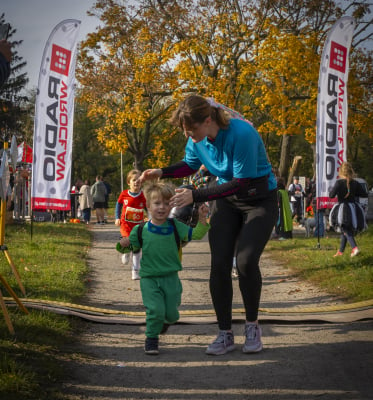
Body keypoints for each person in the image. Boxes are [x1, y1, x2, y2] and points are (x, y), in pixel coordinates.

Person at [138, 94, 278, 356]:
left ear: (208, 119)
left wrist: (196, 195)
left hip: (258, 199)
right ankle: (225, 333)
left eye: (191, 129)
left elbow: (242, 182)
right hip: (226, 201)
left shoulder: (242, 133)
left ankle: (252, 326)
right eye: (184, 130)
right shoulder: (197, 138)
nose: (188, 135)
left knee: (246, 261)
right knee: (219, 264)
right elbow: (190, 164)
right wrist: (161, 171)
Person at [117, 182, 210, 355]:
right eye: (157, 203)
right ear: (148, 206)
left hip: (171, 278)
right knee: (155, 310)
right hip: (149, 279)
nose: (161, 207)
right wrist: (123, 244)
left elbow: (195, 235)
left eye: (166, 204)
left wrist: (202, 219)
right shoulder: (140, 230)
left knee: (173, 315)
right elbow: (129, 247)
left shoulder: (176, 226)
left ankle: (163, 322)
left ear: (172, 206)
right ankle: (151, 339)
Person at [329, 162, 368, 257]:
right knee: (345, 229)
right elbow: (364, 194)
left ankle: (355, 248)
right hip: (353, 208)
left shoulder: (339, 182)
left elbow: (331, 195)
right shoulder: (355, 183)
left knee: (345, 229)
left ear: (340, 172)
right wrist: (354, 193)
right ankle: (340, 252)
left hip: (343, 209)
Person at [115, 169, 147, 280]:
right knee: (127, 242)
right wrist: (117, 217)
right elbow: (118, 205)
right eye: (134, 180)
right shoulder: (124, 194)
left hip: (138, 227)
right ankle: (126, 252)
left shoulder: (143, 195)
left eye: (138, 180)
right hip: (126, 225)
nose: (136, 182)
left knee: (137, 249)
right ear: (129, 182)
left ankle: (135, 272)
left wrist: (151, 218)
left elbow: (148, 208)